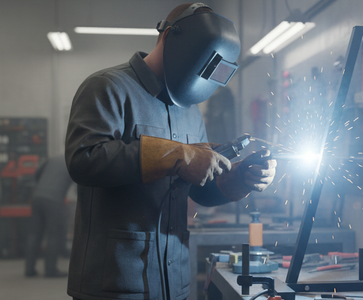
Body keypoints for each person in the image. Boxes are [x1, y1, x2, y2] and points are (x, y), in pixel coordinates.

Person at [64, 3, 276, 300]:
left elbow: (195, 191)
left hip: (173, 282)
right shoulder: (107, 88)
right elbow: (82, 159)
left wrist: (237, 179)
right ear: (168, 37)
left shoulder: (190, 112)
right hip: (115, 283)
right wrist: (178, 155)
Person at [25, 155, 73, 278]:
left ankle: (29, 269)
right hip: (53, 200)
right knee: (54, 235)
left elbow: (37, 173)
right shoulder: (73, 161)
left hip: (37, 197)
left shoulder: (53, 158)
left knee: (34, 234)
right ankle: (50, 270)